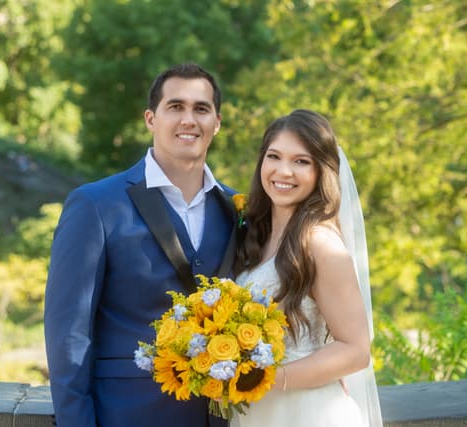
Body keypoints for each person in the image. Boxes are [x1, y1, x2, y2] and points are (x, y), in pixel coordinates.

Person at [44, 63, 237, 427]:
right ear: (151, 119)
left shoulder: (237, 208)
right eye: (175, 107)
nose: (189, 120)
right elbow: (68, 333)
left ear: (217, 122)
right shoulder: (95, 205)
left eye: (201, 109)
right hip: (126, 414)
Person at [232, 109, 383, 427]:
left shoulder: (321, 243)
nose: (283, 171)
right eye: (274, 156)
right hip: (258, 412)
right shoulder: (256, 234)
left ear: (321, 172)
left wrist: (267, 378)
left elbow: (356, 350)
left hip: (307, 412)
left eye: (301, 161)